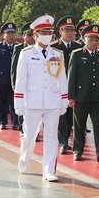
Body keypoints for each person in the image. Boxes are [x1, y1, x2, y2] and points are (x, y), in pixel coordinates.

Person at [14, 15, 68, 182]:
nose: (47, 35)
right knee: (29, 135)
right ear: (35, 35)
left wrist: (63, 101)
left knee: (52, 137)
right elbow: (20, 79)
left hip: (52, 101)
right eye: (43, 32)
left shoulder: (58, 54)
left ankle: (49, 170)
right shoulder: (27, 53)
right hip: (32, 101)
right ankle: (24, 159)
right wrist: (19, 103)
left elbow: (62, 79)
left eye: (49, 32)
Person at [68, 24, 99, 162]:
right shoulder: (77, 55)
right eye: (91, 39)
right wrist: (71, 96)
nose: (94, 42)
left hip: (96, 97)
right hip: (81, 97)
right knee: (79, 126)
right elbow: (72, 77)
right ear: (84, 39)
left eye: (96, 40)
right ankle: (78, 150)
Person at [51, 16, 83, 154]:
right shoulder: (54, 48)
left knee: (71, 116)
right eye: (67, 30)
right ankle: (63, 142)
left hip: (75, 86)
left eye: (72, 30)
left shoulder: (79, 47)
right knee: (61, 116)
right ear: (60, 31)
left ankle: (66, 139)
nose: (70, 33)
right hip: (59, 86)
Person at [0, 22, 18, 130]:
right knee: (1, 102)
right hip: (2, 79)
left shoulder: (17, 47)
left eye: (12, 33)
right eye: (8, 33)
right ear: (3, 35)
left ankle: (15, 123)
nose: (11, 35)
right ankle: (2, 121)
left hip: (14, 80)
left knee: (14, 102)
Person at [11, 23, 36, 133]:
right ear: (24, 36)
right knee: (23, 105)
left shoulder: (38, 48)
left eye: (32, 35)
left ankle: (35, 130)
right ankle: (22, 128)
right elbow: (14, 67)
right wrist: (14, 83)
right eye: (28, 35)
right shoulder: (18, 48)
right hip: (22, 82)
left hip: (34, 82)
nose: (31, 37)